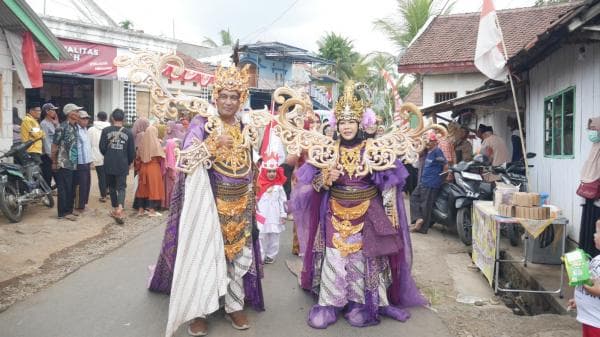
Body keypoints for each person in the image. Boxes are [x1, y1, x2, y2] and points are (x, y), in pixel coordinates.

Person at [289, 83, 426, 329]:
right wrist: (324, 179)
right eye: (342, 121)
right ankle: (331, 303)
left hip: (367, 213)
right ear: (336, 124)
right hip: (334, 213)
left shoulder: (374, 150)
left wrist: (389, 213)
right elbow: (313, 185)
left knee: (361, 260)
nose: (347, 126)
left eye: (352, 121)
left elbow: (390, 184)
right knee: (335, 256)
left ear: (362, 123)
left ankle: (360, 302)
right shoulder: (327, 150)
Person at [148, 65, 264, 337]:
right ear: (215, 96)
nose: (228, 101)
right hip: (209, 206)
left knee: (238, 258)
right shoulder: (202, 124)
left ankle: (234, 305)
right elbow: (184, 161)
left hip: (241, 205)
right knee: (203, 257)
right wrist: (213, 144)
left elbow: (251, 164)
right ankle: (198, 311)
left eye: (234, 97)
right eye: (223, 95)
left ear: (241, 99)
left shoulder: (246, 127)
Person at [99, 109, 136, 225]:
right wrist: (129, 162)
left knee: (111, 187)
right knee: (121, 187)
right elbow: (132, 152)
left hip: (109, 163)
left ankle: (115, 208)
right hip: (122, 163)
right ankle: (120, 208)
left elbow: (102, 148)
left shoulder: (105, 131)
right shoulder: (128, 133)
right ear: (123, 119)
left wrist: (109, 154)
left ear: (112, 118)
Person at [409, 132, 447, 234]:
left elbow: (445, 165)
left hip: (432, 182)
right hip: (424, 181)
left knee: (426, 205)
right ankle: (418, 219)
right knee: (413, 197)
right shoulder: (428, 151)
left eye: (430, 141)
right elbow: (419, 152)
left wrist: (441, 179)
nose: (428, 143)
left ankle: (422, 228)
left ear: (435, 142)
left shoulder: (437, 151)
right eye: (427, 141)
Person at [568, 219, 600, 336]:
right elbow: (594, 282)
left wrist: (582, 281)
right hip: (589, 318)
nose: (594, 234)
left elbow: (598, 290)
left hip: (596, 323)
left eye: (597, 232)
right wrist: (580, 301)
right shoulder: (597, 259)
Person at [51, 104, 82, 221]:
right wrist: (54, 161)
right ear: (70, 113)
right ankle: (62, 213)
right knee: (64, 188)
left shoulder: (75, 127)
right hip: (63, 163)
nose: (78, 114)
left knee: (72, 188)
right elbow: (54, 145)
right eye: (76, 111)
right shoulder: (61, 127)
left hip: (73, 163)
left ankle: (69, 210)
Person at [256, 152, 287, 264]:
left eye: (274, 171)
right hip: (262, 215)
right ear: (264, 172)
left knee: (274, 237)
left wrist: (283, 214)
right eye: (269, 171)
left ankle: (271, 255)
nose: (272, 174)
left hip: (275, 216)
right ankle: (261, 255)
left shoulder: (278, 186)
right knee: (261, 236)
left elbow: (283, 201)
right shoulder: (258, 185)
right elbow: (255, 199)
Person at [133, 125, 165, 217]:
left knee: (142, 189)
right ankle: (151, 210)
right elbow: (160, 158)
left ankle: (141, 209)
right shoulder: (156, 144)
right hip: (153, 168)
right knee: (154, 189)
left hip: (143, 168)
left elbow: (137, 158)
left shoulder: (141, 144)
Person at [579, 117, 600, 257]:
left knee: (597, 232)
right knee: (588, 230)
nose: (591, 132)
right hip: (590, 196)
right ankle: (587, 262)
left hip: (598, 198)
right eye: (590, 129)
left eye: (594, 129)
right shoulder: (595, 147)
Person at [88, 111, 110, 202]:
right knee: (108, 175)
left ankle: (103, 195)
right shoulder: (110, 128)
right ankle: (108, 191)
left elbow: (88, 144)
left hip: (96, 155)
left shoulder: (91, 130)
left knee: (101, 176)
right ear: (106, 118)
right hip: (109, 155)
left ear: (97, 117)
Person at [73, 111, 93, 211]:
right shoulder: (75, 130)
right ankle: (79, 205)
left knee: (87, 183)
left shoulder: (85, 129)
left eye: (87, 118)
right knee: (81, 184)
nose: (86, 121)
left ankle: (84, 203)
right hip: (80, 162)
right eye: (83, 118)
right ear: (77, 119)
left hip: (87, 161)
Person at [40, 103, 60, 188]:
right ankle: (47, 197)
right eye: (53, 110)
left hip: (56, 153)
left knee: (58, 176)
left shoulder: (53, 122)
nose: (55, 112)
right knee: (47, 177)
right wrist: (51, 156)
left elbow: (60, 135)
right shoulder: (44, 124)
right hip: (49, 155)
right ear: (47, 111)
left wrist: (57, 124)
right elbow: (46, 140)